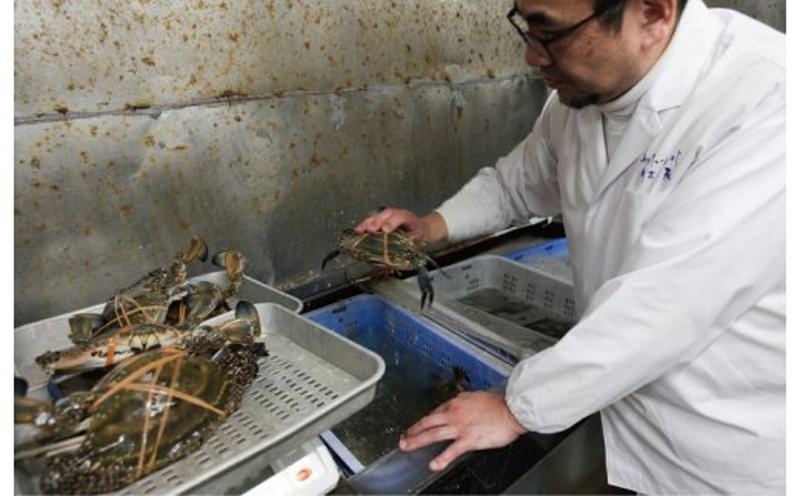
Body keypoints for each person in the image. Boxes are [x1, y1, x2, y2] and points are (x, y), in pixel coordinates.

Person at [354, 0, 785, 493]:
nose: (533, 56)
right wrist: (431, 226)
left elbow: (667, 304)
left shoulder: (767, 100)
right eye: (526, 25)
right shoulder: (580, 98)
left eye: (550, 31)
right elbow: (515, 185)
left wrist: (514, 408)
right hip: (624, 411)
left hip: (723, 450)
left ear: (653, 14)